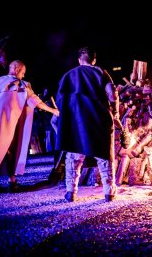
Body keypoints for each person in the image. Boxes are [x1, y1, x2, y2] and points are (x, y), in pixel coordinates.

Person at [0, 60, 60, 193]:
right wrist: (54, 111)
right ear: (16, 70)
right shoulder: (22, 85)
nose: (23, 76)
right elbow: (36, 101)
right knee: (13, 147)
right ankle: (12, 182)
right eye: (23, 73)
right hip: (7, 122)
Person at [54, 46, 121, 202]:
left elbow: (60, 101)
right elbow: (113, 94)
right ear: (94, 60)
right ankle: (109, 193)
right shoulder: (101, 73)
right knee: (104, 157)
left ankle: (71, 192)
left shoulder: (68, 75)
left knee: (73, 158)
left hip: (76, 122)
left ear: (79, 60)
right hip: (99, 119)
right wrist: (116, 113)